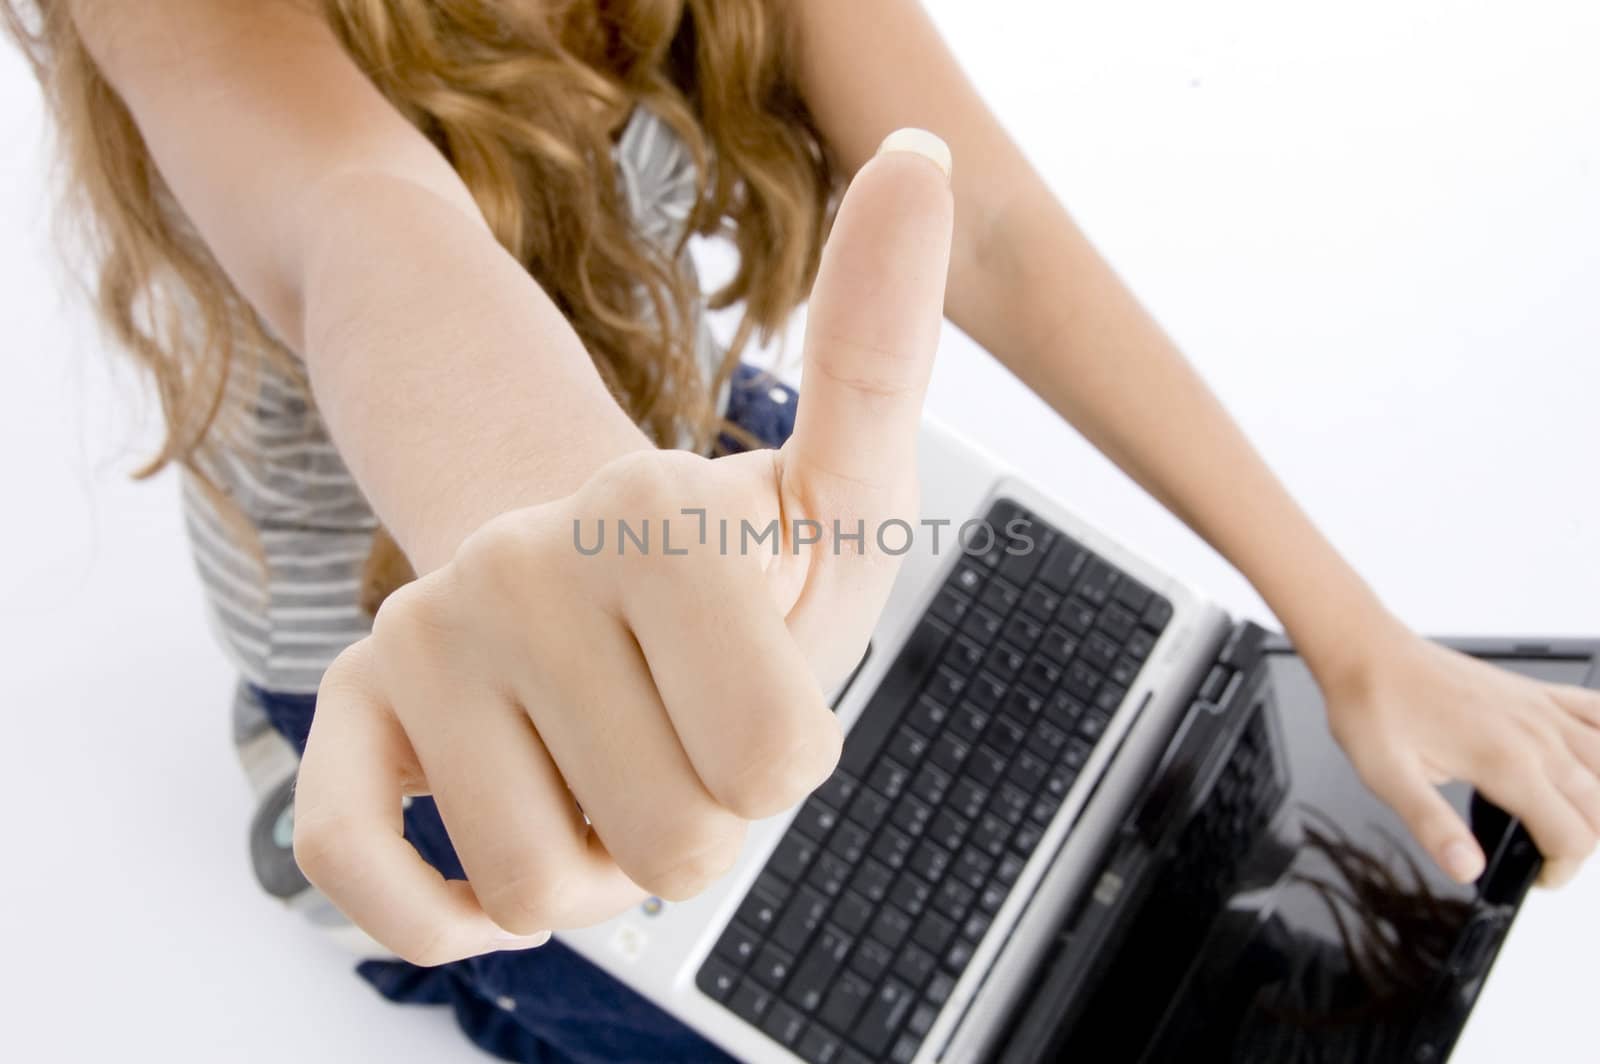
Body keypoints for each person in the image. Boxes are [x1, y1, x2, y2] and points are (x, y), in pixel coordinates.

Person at [7, 1, 1598, 1060]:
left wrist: (1356, 636)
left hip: (683, 469)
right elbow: (357, 228)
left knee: (1120, 821)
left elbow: (990, 222)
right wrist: (578, 525)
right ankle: (341, 830)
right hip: (414, 656)